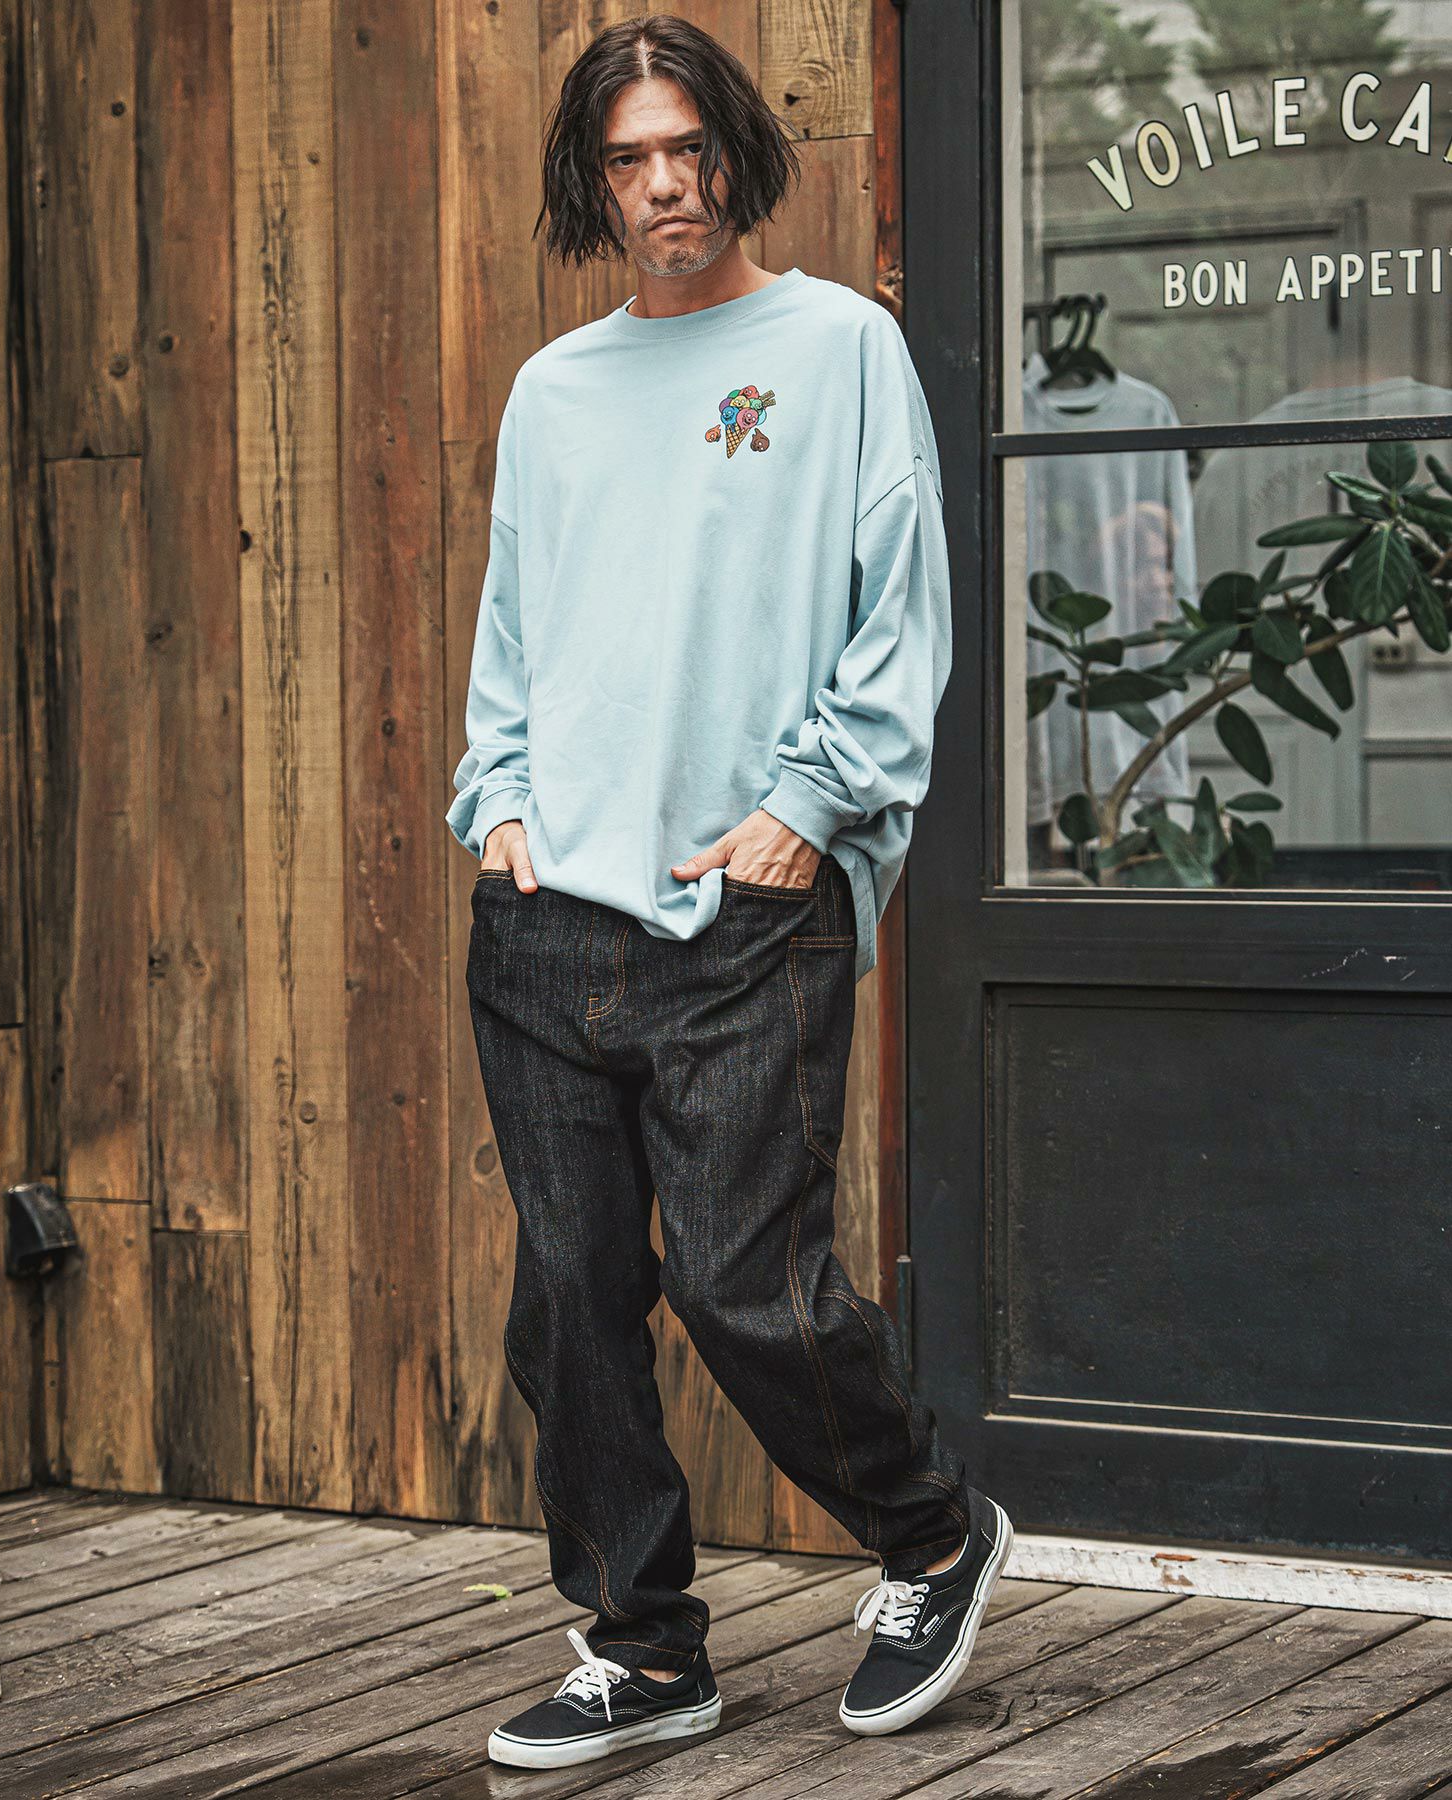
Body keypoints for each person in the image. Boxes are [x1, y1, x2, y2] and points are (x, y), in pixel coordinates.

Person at [446, 12, 1012, 1772]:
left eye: (689, 148)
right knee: (568, 1302)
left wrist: (809, 810)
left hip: (742, 913)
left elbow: (901, 615)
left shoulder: (838, 349)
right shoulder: (554, 390)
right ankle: (644, 1649)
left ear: (737, 155)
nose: (666, 186)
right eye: (629, 159)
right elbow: (514, 635)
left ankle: (932, 1535)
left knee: (745, 1285)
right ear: (591, 181)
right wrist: (497, 804)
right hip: (548, 920)